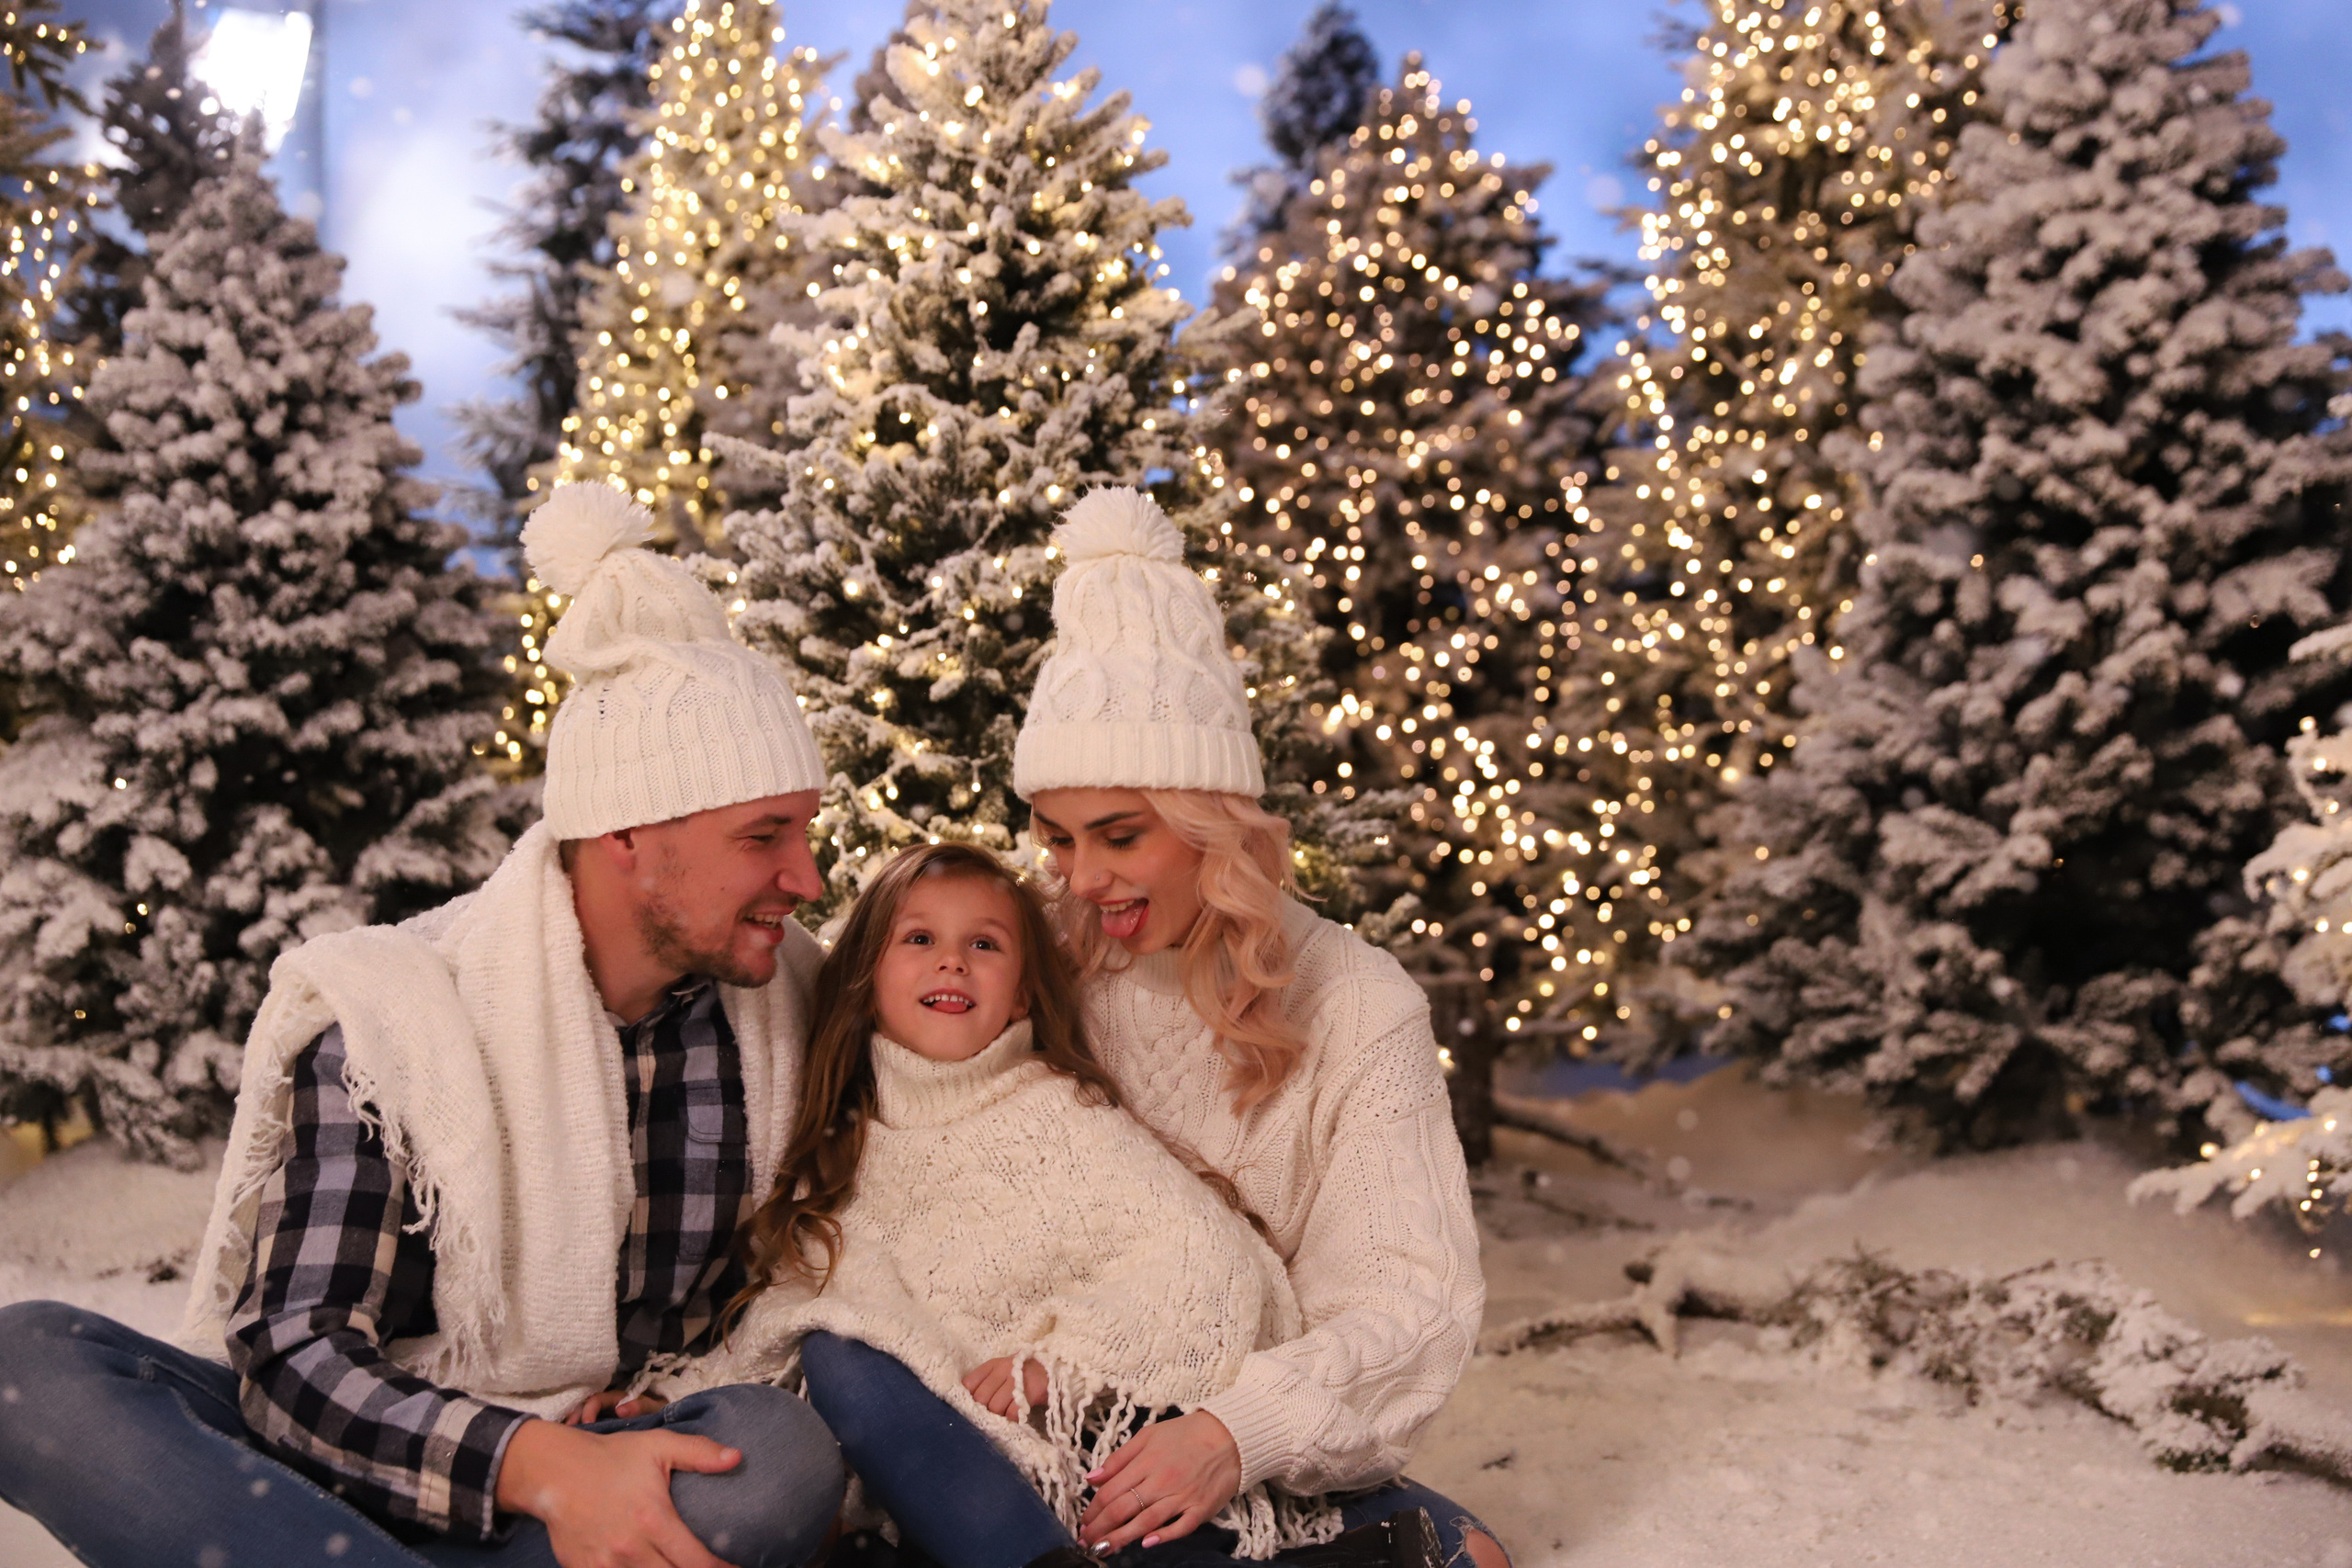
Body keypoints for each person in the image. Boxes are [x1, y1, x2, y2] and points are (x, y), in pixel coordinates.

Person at [0, 483, 847, 1568]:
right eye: (765, 836)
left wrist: (623, 1426)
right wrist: (530, 1459)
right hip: (353, 1473)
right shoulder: (395, 1016)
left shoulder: (790, 1011)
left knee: (771, 1456)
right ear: (630, 833)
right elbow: (294, 1352)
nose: (807, 877)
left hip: (602, 1479)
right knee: (29, 1364)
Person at [800, 490, 1502, 1568]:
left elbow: (1409, 1304)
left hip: (1237, 1438)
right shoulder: (1040, 955)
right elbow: (872, 984)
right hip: (1025, 1411)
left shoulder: (1360, 1007)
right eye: (1057, 840)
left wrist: (1229, 1433)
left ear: (1210, 822)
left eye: (1118, 837)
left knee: (1464, 1554)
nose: (1082, 879)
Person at [716, 841, 1349, 1564]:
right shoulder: (841, 1150)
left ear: (1020, 993)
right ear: (864, 981)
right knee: (837, 1354)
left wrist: (1062, 1360)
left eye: (983, 943)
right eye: (920, 938)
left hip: (1091, 1454)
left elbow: (1207, 1260)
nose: (952, 960)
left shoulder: (1063, 1116)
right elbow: (794, 1309)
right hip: (944, 1468)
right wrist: (692, 1392)